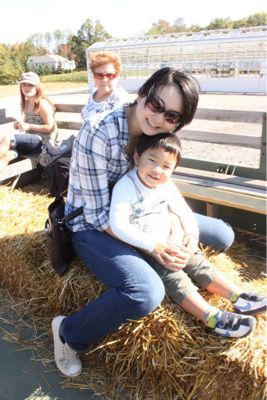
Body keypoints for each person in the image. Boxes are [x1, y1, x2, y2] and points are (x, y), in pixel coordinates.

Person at [51, 67, 235, 377]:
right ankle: (69, 332)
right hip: (93, 225)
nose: (159, 117)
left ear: (180, 122)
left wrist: (182, 230)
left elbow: (166, 189)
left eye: (172, 116)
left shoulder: (160, 135)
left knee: (222, 235)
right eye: (155, 104)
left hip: (143, 211)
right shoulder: (98, 131)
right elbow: (97, 215)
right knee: (145, 292)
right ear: (143, 95)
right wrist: (155, 246)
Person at [109, 133, 266, 339]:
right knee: (174, 276)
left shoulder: (165, 185)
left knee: (198, 262)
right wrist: (154, 246)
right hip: (146, 248)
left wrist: (191, 236)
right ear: (137, 157)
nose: (157, 170)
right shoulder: (126, 186)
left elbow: (184, 212)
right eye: (152, 160)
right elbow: (117, 225)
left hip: (171, 240)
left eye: (166, 166)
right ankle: (211, 317)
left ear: (173, 169)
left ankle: (238, 297)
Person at [0, 72, 62, 170]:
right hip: (31, 142)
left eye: (30, 85)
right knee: (7, 155)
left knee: (8, 138)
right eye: (24, 84)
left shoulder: (42, 104)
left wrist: (29, 126)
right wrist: (19, 124)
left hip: (44, 143)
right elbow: (28, 122)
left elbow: (50, 128)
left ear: (37, 87)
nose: (26, 87)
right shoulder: (26, 103)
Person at [81, 51, 129, 122]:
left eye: (110, 75)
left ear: (117, 75)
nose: (104, 79)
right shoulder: (94, 93)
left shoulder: (121, 100)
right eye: (99, 75)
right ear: (93, 76)